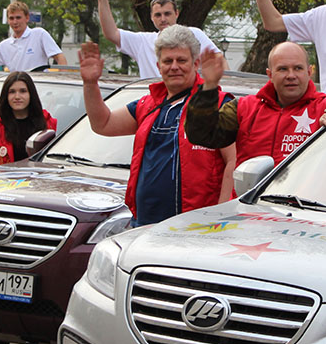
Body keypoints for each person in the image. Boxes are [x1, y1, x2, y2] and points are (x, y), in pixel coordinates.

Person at [80, 25, 236, 226]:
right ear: (158, 65)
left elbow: (234, 160)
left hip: (197, 227)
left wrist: (221, 215)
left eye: (181, 60)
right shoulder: (147, 104)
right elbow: (103, 124)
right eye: (167, 61)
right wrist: (90, 84)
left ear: (196, 63)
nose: (174, 66)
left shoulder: (217, 104)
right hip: (145, 224)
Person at [186, 41, 326, 166]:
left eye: (298, 68)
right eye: (283, 69)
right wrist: (208, 87)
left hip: (306, 207)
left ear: (309, 72)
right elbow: (201, 134)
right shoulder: (243, 108)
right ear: (270, 74)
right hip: (251, 207)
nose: (291, 75)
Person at [90, 0, 219, 78]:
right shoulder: (143, 41)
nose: (163, 19)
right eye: (158, 15)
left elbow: (219, 61)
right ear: (151, 17)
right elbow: (112, 33)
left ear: (176, 13)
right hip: (154, 106)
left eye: (167, 14)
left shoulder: (194, 34)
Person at [0, 71, 57, 164]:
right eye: (12, 92)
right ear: (6, 96)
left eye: (23, 91)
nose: (17, 96)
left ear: (31, 94)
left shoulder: (47, 123)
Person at [0, 2, 66, 71]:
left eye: (18, 17)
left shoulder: (39, 34)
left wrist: (62, 79)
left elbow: (59, 57)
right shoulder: (4, 46)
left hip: (40, 89)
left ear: (27, 18)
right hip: (18, 92)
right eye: (11, 18)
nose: (15, 22)